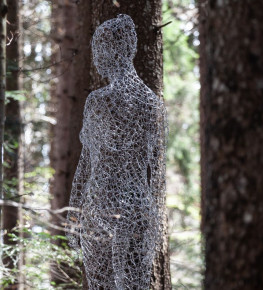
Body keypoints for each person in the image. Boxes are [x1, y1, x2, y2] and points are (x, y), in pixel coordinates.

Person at [66, 14, 167, 289]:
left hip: (102, 208)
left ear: (117, 51)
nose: (96, 55)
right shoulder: (152, 104)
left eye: (100, 47)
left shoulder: (98, 102)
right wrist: (155, 223)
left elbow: (86, 165)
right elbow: (158, 176)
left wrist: (73, 218)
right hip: (136, 210)